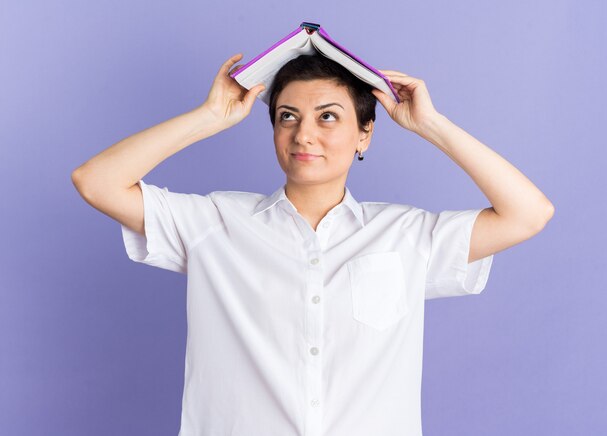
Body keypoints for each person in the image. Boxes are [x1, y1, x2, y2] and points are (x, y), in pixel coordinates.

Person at [71, 52, 554, 436]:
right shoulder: (215, 221)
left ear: (365, 134)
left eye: (328, 117)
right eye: (287, 116)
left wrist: (429, 125)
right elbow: (96, 181)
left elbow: (529, 213)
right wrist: (209, 117)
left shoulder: (407, 235)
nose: (304, 134)